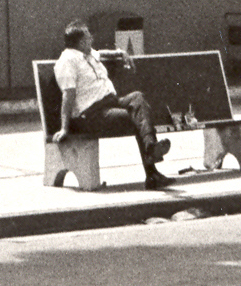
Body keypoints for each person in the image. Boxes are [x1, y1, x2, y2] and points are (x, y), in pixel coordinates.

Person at [53, 20, 174, 189]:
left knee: (137, 98)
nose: (92, 38)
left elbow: (101, 53)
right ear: (80, 42)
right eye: (88, 36)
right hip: (92, 115)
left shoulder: (88, 54)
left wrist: (120, 52)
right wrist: (64, 128)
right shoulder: (68, 61)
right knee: (137, 117)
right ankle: (152, 170)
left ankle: (151, 149)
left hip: (110, 103)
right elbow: (68, 95)